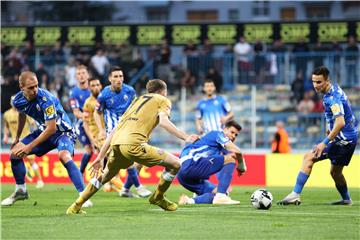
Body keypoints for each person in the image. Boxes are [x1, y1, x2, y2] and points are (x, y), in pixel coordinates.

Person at [66, 79, 199, 214]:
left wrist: (100, 157)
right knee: (175, 164)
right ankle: (158, 197)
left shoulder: (136, 102)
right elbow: (164, 122)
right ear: (163, 91)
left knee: (106, 175)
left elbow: (115, 130)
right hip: (133, 144)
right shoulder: (162, 99)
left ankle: (76, 206)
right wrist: (185, 137)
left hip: (117, 143)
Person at [1, 71, 92, 207]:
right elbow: (22, 115)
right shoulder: (17, 100)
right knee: (14, 154)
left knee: (64, 156)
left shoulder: (46, 99)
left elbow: (52, 129)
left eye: (36, 86)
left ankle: (83, 196)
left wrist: (29, 147)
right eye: (31, 88)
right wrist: (17, 137)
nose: (35, 90)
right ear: (22, 88)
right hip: (44, 131)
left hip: (63, 132)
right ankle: (21, 190)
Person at [277, 66, 358, 206]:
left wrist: (324, 142)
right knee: (335, 173)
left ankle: (295, 195)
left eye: (319, 82)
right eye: (314, 81)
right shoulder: (334, 90)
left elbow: (340, 122)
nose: (315, 85)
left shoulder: (332, 98)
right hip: (349, 138)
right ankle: (346, 200)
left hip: (343, 140)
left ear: (327, 80)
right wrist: (330, 131)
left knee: (309, 157)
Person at [94, 66, 151, 198]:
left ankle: (124, 189)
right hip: (114, 132)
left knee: (139, 161)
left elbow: (137, 109)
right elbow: (97, 113)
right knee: (129, 158)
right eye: (115, 76)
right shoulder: (104, 95)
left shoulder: (130, 91)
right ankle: (139, 187)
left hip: (129, 129)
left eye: (121, 76)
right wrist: (101, 129)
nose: (119, 79)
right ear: (110, 79)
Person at [178, 120, 246, 205]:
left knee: (219, 192)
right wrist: (241, 166)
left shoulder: (214, 144)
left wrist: (224, 184)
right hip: (191, 164)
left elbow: (222, 163)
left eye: (236, 135)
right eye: (232, 132)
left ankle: (189, 201)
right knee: (231, 159)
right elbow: (237, 152)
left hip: (182, 174)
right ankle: (221, 196)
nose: (233, 136)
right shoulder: (218, 134)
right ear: (225, 129)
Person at [82, 77, 123, 192]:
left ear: (101, 86)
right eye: (93, 85)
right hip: (98, 135)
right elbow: (85, 124)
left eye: (97, 84)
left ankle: (109, 184)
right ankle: (114, 181)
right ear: (89, 88)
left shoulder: (106, 98)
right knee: (110, 155)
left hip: (110, 131)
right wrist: (92, 139)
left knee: (114, 154)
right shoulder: (88, 103)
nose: (96, 87)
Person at [3, 96, 44, 189]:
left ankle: (40, 180)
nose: (13, 102)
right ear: (10, 102)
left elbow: (33, 123)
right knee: (16, 159)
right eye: (12, 101)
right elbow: (6, 126)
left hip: (26, 140)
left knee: (31, 160)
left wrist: (35, 134)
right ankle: (25, 174)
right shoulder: (7, 114)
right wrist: (5, 136)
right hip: (15, 141)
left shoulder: (24, 111)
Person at [69, 65, 93, 175]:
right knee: (89, 150)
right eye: (78, 74)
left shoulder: (94, 89)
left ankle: (108, 178)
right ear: (76, 77)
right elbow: (76, 112)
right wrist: (86, 116)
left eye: (83, 73)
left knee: (103, 150)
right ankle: (80, 173)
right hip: (81, 125)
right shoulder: (74, 93)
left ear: (88, 75)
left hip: (96, 124)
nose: (81, 75)